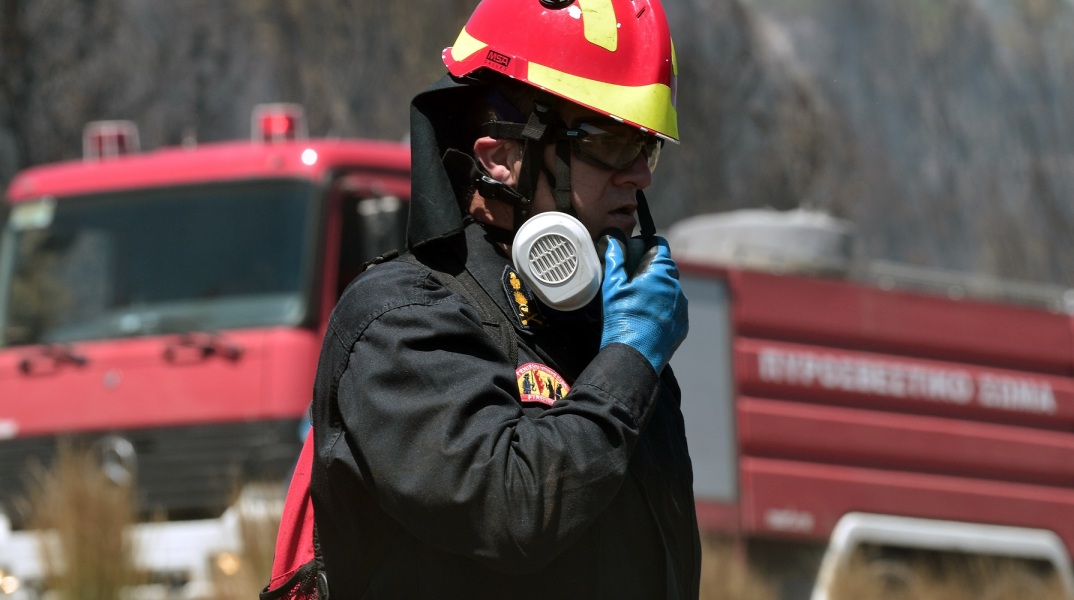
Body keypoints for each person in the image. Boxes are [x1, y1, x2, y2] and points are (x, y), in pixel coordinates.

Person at [308, 0, 700, 597]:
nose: (640, 177)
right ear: (502, 157)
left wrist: (624, 360)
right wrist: (627, 363)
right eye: (611, 144)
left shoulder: (603, 336)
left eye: (645, 148)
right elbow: (515, 513)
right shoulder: (400, 324)